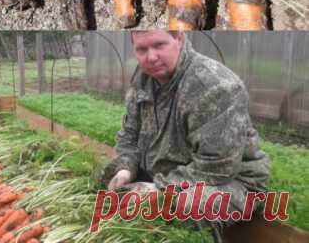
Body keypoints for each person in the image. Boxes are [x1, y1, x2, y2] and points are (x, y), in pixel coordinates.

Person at [103, 30, 269, 241]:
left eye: (159, 45)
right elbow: (129, 135)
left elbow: (218, 167)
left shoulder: (214, 86)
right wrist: (125, 170)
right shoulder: (144, 78)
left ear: (179, 39)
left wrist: (160, 188)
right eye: (142, 49)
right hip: (167, 173)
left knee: (188, 207)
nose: (151, 57)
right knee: (110, 179)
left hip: (228, 180)